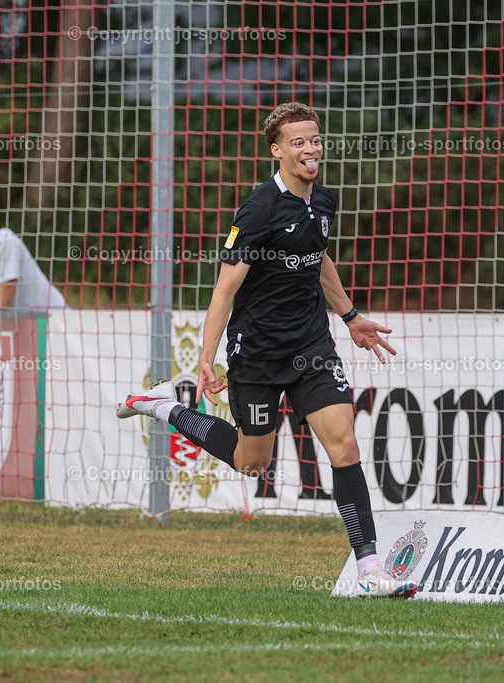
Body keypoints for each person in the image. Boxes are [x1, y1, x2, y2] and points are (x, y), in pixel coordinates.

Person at [117, 102, 416, 598]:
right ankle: (162, 405)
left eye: (315, 139)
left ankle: (369, 566)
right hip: (255, 351)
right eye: (298, 142)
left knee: (343, 443)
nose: (311, 149)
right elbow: (224, 291)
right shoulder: (257, 209)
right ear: (277, 150)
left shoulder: (323, 201)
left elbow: (318, 259)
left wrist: (350, 316)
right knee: (252, 461)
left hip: (311, 345)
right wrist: (207, 359)